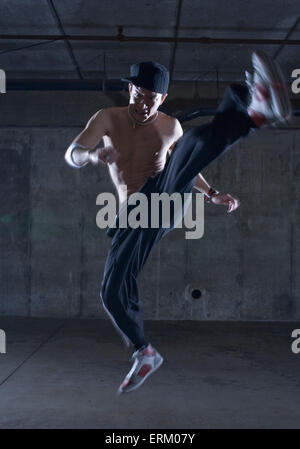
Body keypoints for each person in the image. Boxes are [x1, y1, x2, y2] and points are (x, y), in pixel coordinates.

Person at [64, 53, 291, 394]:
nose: (144, 106)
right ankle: (144, 352)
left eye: (152, 100)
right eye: (138, 97)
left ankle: (252, 108)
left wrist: (211, 192)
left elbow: (183, 168)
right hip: (135, 213)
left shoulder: (169, 125)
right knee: (112, 291)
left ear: (163, 99)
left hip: (167, 200)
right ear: (129, 90)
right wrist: (92, 155)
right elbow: (72, 153)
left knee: (188, 144)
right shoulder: (107, 118)